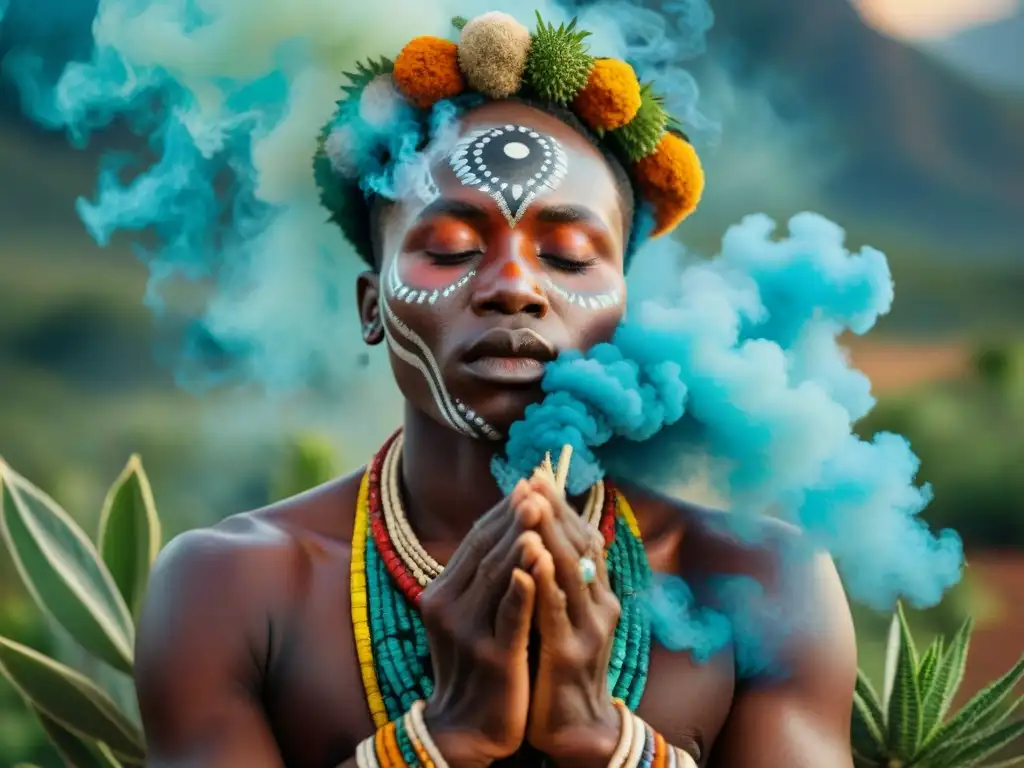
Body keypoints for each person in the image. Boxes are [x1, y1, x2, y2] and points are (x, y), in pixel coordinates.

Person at [135, 11, 857, 768]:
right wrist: (440, 738)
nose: (514, 286)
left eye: (570, 258)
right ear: (372, 306)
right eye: (451, 248)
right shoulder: (231, 587)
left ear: (625, 311)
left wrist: (609, 744)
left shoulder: (759, 582)